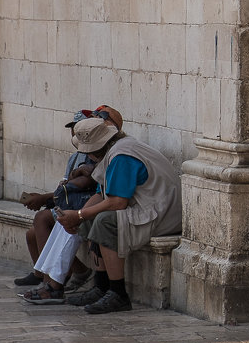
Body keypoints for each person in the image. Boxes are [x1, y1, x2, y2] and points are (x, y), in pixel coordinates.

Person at [57, 116, 182, 314]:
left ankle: (118, 294)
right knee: (92, 218)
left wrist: (79, 214)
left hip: (162, 214)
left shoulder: (122, 156)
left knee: (106, 221)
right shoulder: (115, 150)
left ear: (96, 148)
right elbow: (101, 194)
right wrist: (78, 217)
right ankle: (101, 287)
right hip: (148, 208)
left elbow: (117, 202)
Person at [14, 110, 98, 293]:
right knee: (32, 234)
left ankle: (51, 281)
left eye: (80, 129)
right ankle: (63, 271)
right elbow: (67, 189)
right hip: (73, 203)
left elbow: (86, 183)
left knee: (43, 219)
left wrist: (45, 198)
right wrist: (45, 198)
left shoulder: (95, 153)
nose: (74, 133)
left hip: (85, 206)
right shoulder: (75, 156)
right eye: (73, 129)